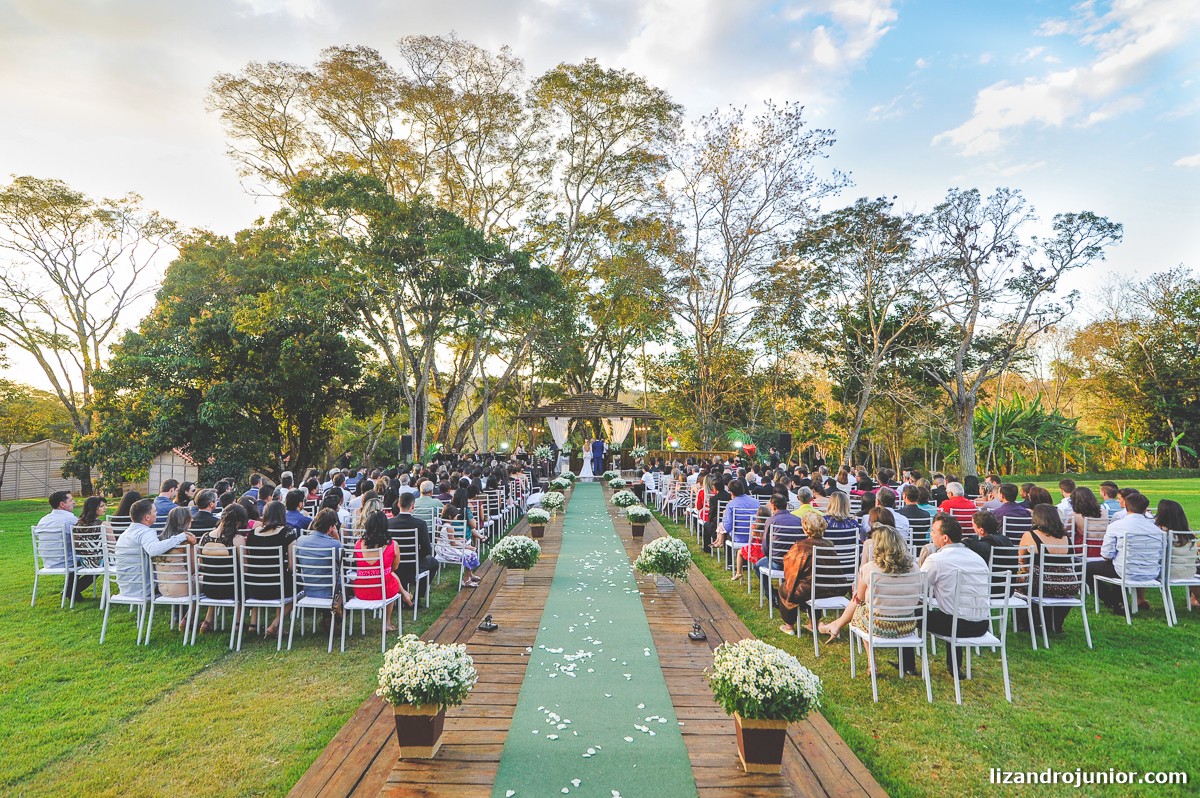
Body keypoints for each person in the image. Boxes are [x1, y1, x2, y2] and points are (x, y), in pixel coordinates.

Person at [818, 525, 918, 673]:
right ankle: (835, 626)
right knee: (865, 606)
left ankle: (871, 661)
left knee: (861, 607)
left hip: (879, 626)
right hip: (907, 626)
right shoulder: (915, 567)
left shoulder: (870, 568)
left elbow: (859, 598)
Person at [918, 512, 991, 675]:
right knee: (951, 610)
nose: (931, 535)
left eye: (933, 532)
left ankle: (907, 664)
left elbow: (916, 588)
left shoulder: (936, 559)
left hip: (956, 625)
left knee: (911, 609)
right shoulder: (977, 558)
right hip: (982, 624)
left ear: (945, 538)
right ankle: (954, 668)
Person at [1085, 492, 1163, 615]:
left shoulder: (1116, 526)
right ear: (1145, 509)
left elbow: (1106, 555)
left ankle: (1111, 600)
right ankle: (1118, 602)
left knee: (1086, 568)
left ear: (1125, 507)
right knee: (1117, 563)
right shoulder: (1157, 530)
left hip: (1125, 571)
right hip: (1151, 572)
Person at [114, 498, 196, 600]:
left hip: (126, 587)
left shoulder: (126, 533)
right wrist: (182, 536)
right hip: (142, 588)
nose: (156, 513)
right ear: (147, 517)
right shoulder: (145, 532)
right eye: (154, 511)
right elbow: (154, 550)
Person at [777, 513, 844, 634]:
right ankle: (813, 623)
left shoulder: (800, 547)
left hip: (807, 591)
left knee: (784, 589)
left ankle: (789, 626)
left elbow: (790, 568)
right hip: (830, 589)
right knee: (811, 585)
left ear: (805, 529)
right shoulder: (829, 545)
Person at [1017, 504, 1077, 634]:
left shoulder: (1030, 535)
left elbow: (1021, 561)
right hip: (1068, 584)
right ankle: (1053, 621)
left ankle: (1025, 621)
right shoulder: (1065, 537)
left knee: (1019, 581)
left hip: (1042, 585)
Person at [243, 500, 294, 637]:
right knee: (296, 590)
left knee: (270, 575)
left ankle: (253, 624)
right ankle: (275, 625)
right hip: (277, 588)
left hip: (254, 587)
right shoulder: (287, 532)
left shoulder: (252, 533)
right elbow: (291, 566)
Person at [196, 502, 249, 633]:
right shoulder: (237, 539)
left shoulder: (205, 537)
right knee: (242, 580)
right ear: (238, 522)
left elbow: (201, 564)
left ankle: (207, 621)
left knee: (219, 576)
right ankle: (238, 622)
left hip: (209, 588)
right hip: (231, 589)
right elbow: (245, 569)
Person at [33, 490, 92, 601]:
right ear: (62, 504)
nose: (74, 502)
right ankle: (70, 591)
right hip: (67, 562)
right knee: (99, 562)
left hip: (49, 562)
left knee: (76, 557)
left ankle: (73, 592)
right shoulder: (70, 519)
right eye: (71, 500)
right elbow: (85, 538)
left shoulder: (43, 520)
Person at [387, 491, 439, 598]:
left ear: (398, 504)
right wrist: (417, 556)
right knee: (433, 562)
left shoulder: (388, 523)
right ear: (413, 506)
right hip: (413, 565)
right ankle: (418, 596)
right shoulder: (420, 524)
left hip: (394, 565)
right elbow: (427, 550)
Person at [1156, 499, 1200, 610]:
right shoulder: (1188, 533)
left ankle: (1138, 600)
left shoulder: (1161, 533)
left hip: (1168, 573)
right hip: (1190, 572)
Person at [292, 508, 344, 602]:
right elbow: (342, 565)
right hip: (330, 591)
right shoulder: (335, 544)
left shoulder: (300, 540)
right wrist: (337, 539)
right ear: (331, 527)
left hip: (307, 588)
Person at [964, 510, 1015, 595]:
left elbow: (976, 546)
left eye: (973, 525)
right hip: (1009, 589)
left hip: (991, 589)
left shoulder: (989, 543)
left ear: (981, 530)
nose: (972, 527)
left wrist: (964, 541)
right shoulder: (1005, 540)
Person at [435, 503, 482, 588]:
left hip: (441, 548)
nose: (457, 517)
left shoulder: (442, 524)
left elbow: (447, 539)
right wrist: (467, 546)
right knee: (471, 554)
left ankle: (470, 575)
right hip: (447, 551)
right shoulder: (449, 527)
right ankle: (466, 580)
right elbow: (453, 543)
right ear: (450, 516)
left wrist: (458, 539)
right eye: (456, 515)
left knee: (469, 552)